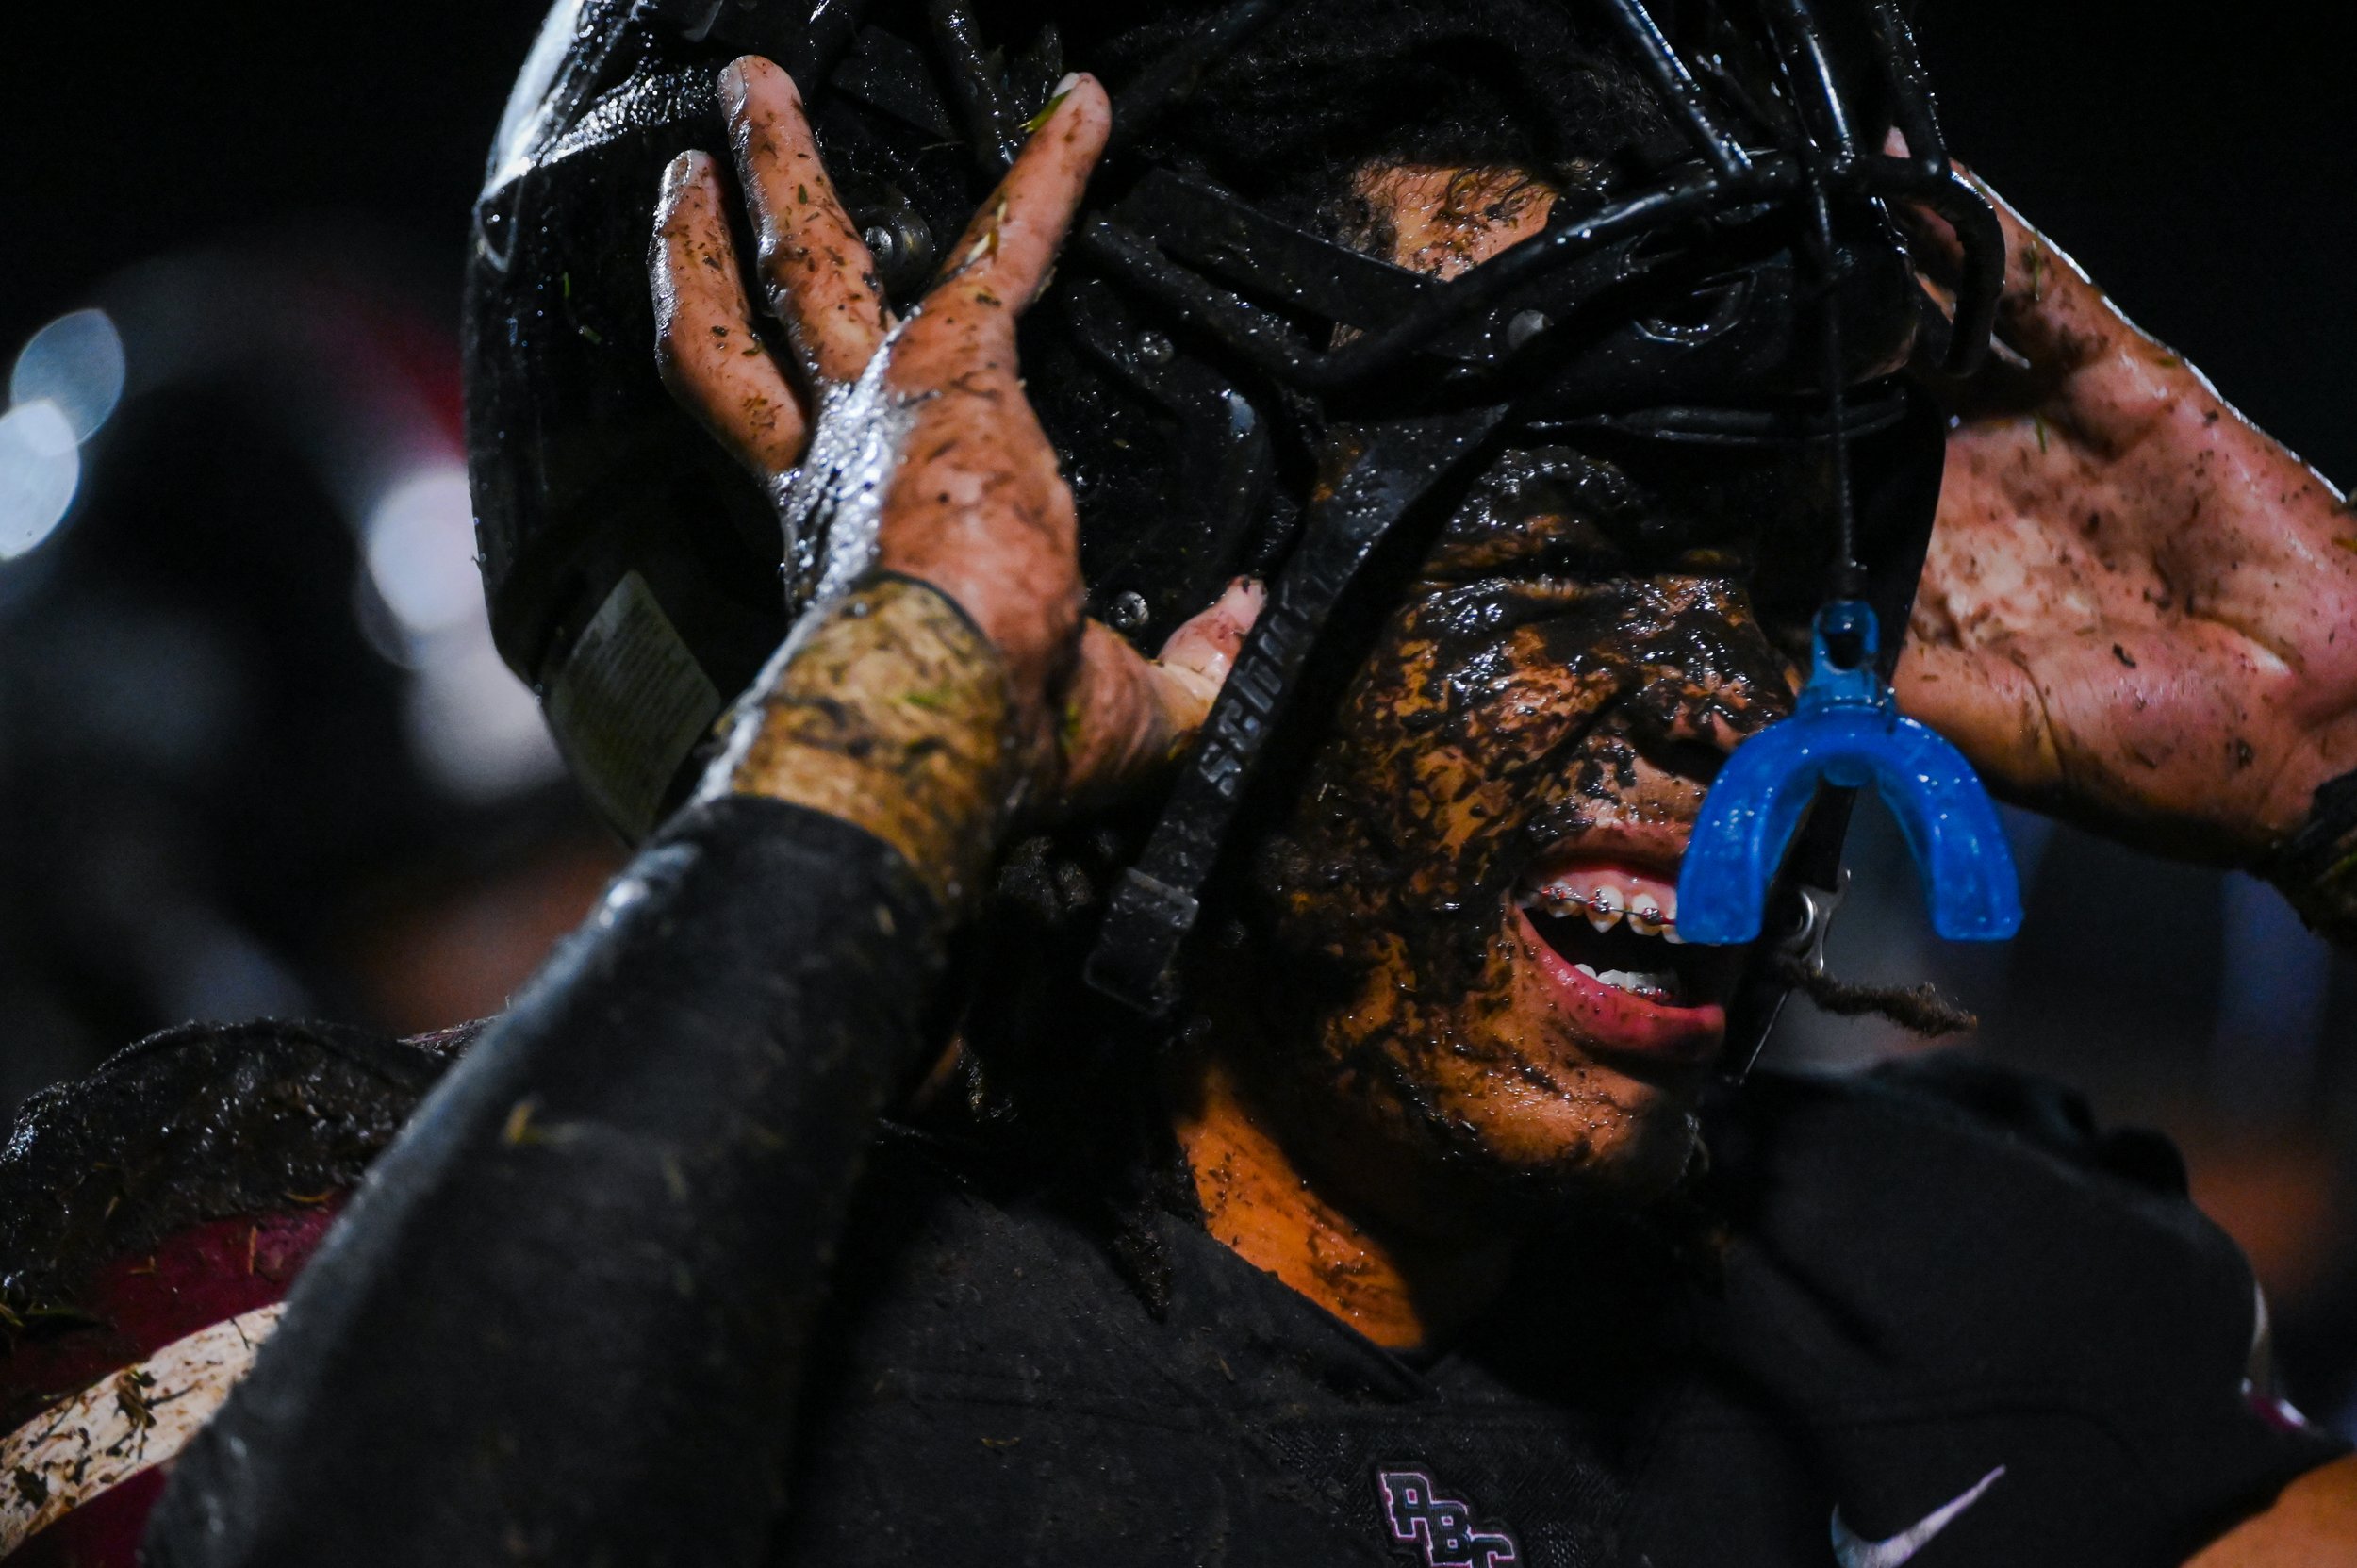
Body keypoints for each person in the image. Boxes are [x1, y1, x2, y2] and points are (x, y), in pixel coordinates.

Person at [5, 3, 2356, 1564]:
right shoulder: (288, 1233)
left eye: (1755, 547)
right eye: (1551, 551)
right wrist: (912, 683)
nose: (1720, 703)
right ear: (1090, 544)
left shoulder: (1943, 1298)